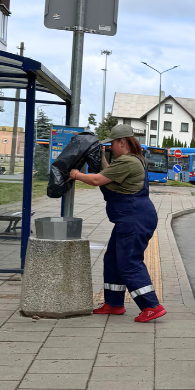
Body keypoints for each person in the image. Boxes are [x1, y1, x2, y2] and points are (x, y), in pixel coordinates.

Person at [69, 124, 165, 323]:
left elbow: (97, 180)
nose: (111, 147)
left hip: (134, 218)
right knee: (112, 259)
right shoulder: (130, 161)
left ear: (122, 142)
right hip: (130, 218)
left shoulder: (129, 162)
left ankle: (151, 306)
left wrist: (76, 175)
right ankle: (113, 303)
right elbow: (109, 174)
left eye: (112, 143)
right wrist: (102, 157)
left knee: (129, 262)